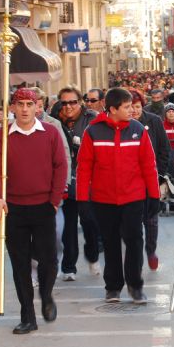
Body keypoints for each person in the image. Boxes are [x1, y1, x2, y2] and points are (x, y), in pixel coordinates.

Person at [0, 88, 68, 334]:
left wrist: (54, 200)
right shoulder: (1, 136)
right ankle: (27, 316)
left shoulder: (51, 133)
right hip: (14, 208)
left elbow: (61, 166)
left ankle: (46, 296)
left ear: (37, 107)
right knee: (20, 263)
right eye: (19, 104)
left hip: (44, 206)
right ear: (12, 107)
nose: (24, 109)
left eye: (29, 104)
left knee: (49, 260)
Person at [76, 88, 160, 304]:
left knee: (134, 241)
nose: (131, 110)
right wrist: (82, 199)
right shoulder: (93, 132)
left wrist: (154, 195)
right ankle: (113, 287)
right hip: (103, 199)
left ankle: (135, 286)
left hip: (133, 197)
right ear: (112, 109)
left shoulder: (138, 129)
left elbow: (149, 165)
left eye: (132, 105)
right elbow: (84, 167)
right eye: (126, 106)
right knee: (111, 242)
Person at [54, 87, 100, 281]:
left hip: (88, 179)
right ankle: (69, 266)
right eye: (64, 103)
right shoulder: (54, 120)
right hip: (66, 178)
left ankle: (92, 254)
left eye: (73, 102)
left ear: (80, 102)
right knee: (69, 226)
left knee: (90, 222)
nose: (68, 107)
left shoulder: (92, 119)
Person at [31, 87, 72, 287]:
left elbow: (64, 155)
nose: (35, 109)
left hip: (52, 189)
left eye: (39, 105)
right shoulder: (13, 126)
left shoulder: (53, 125)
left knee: (55, 232)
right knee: (31, 234)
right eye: (32, 104)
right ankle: (35, 268)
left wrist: (64, 182)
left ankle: (54, 257)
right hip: (29, 191)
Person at [129, 90, 170, 270]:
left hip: (151, 178)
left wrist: (159, 174)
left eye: (137, 107)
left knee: (151, 218)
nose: (134, 111)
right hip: (129, 181)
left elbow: (164, 149)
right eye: (130, 107)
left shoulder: (153, 121)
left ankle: (151, 251)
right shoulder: (123, 123)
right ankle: (135, 253)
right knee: (132, 220)